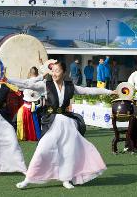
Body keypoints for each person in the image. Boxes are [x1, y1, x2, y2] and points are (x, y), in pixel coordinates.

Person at [7, 60, 114, 189]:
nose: (54, 74)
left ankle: (66, 179)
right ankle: (28, 179)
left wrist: (109, 92)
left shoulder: (70, 86)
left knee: (68, 152)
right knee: (42, 149)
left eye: (57, 71)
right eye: (53, 71)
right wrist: (8, 79)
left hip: (67, 124)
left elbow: (88, 90)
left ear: (64, 72)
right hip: (52, 123)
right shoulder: (45, 85)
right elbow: (27, 83)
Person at [15, 67, 42, 141]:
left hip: (30, 107)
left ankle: (24, 135)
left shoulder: (25, 82)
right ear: (37, 73)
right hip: (36, 106)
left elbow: (19, 89)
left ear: (30, 73)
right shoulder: (40, 83)